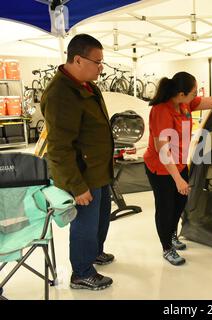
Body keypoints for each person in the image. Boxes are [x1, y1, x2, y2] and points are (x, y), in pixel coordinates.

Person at [144, 71, 212, 266]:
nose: (196, 95)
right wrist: (177, 179)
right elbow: (163, 150)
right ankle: (166, 248)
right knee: (165, 208)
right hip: (161, 168)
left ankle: (171, 235)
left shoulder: (185, 103)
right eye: (193, 92)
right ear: (180, 94)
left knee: (179, 203)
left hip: (179, 164)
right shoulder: (161, 111)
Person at [41, 34, 114, 290]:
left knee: (101, 218)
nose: (101, 67)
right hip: (82, 175)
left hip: (99, 170)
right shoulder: (61, 94)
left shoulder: (87, 86)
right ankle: (81, 272)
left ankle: (94, 252)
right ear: (78, 59)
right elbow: (59, 148)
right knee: (86, 222)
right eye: (97, 62)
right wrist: (77, 185)